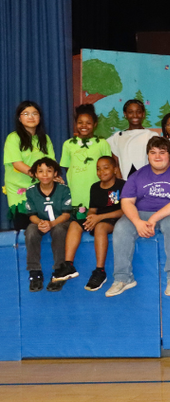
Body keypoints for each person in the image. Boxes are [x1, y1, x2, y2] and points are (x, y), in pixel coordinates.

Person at [109, 136, 170, 298]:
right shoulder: (137, 176)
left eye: (162, 153)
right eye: (153, 152)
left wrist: (154, 218)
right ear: (147, 155)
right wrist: (137, 222)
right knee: (121, 226)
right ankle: (123, 278)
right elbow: (127, 202)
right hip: (143, 213)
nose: (157, 156)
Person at [64, 156, 125, 292]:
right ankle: (68, 265)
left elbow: (124, 211)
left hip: (115, 220)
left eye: (105, 168)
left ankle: (100, 271)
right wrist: (90, 218)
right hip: (98, 218)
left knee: (100, 227)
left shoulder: (122, 185)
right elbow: (92, 209)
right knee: (75, 224)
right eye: (98, 169)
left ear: (115, 170)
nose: (101, 172)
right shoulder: (95, 187)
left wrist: (99, 218)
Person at [5, 101, 57, 230]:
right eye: (26, 114)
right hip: (20, 191)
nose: (31, 117)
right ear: (19, 118)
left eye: (35, 113)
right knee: (26, 231)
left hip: (42, 189)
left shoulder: (45, 139)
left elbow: (51, 164)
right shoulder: (13, 138)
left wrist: (54, 177)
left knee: (46, 229)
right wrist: (42, 176)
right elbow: (17, 164)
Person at [23, 158, 72, 292]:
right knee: (31, 231)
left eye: (49, 171)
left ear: (55, 173)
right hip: (41, 222)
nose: (45, 175)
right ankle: (35, 272)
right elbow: (31, 214)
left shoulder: (63, 189)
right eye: (41, 171)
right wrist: (40, 223)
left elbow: (66, 214)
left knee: (59, 230)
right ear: (35, 174)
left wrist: (52, 223)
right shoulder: (31, 191)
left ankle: (59, 271)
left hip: (59, 222)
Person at [60, 104, 111, 226]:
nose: (84, 126)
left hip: (97, 190)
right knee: (77, 225)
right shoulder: (68, 144)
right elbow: (67, 167)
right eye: (80, 122)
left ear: (95, 124)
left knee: (97, 225)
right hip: (77, 191)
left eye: (88, 123)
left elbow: (109, 167)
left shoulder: (102, 143)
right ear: (76, 124)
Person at [107, 100, 159, 179]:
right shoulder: (117, 138)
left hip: (147, 182)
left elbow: (156, 162)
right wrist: (122, 184)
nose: (135, 115)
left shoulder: (151, 136)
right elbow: (116, 164)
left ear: (143, 114)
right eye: (130, 112)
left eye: (138, 112)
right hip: (125, 184)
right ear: (125, 114)